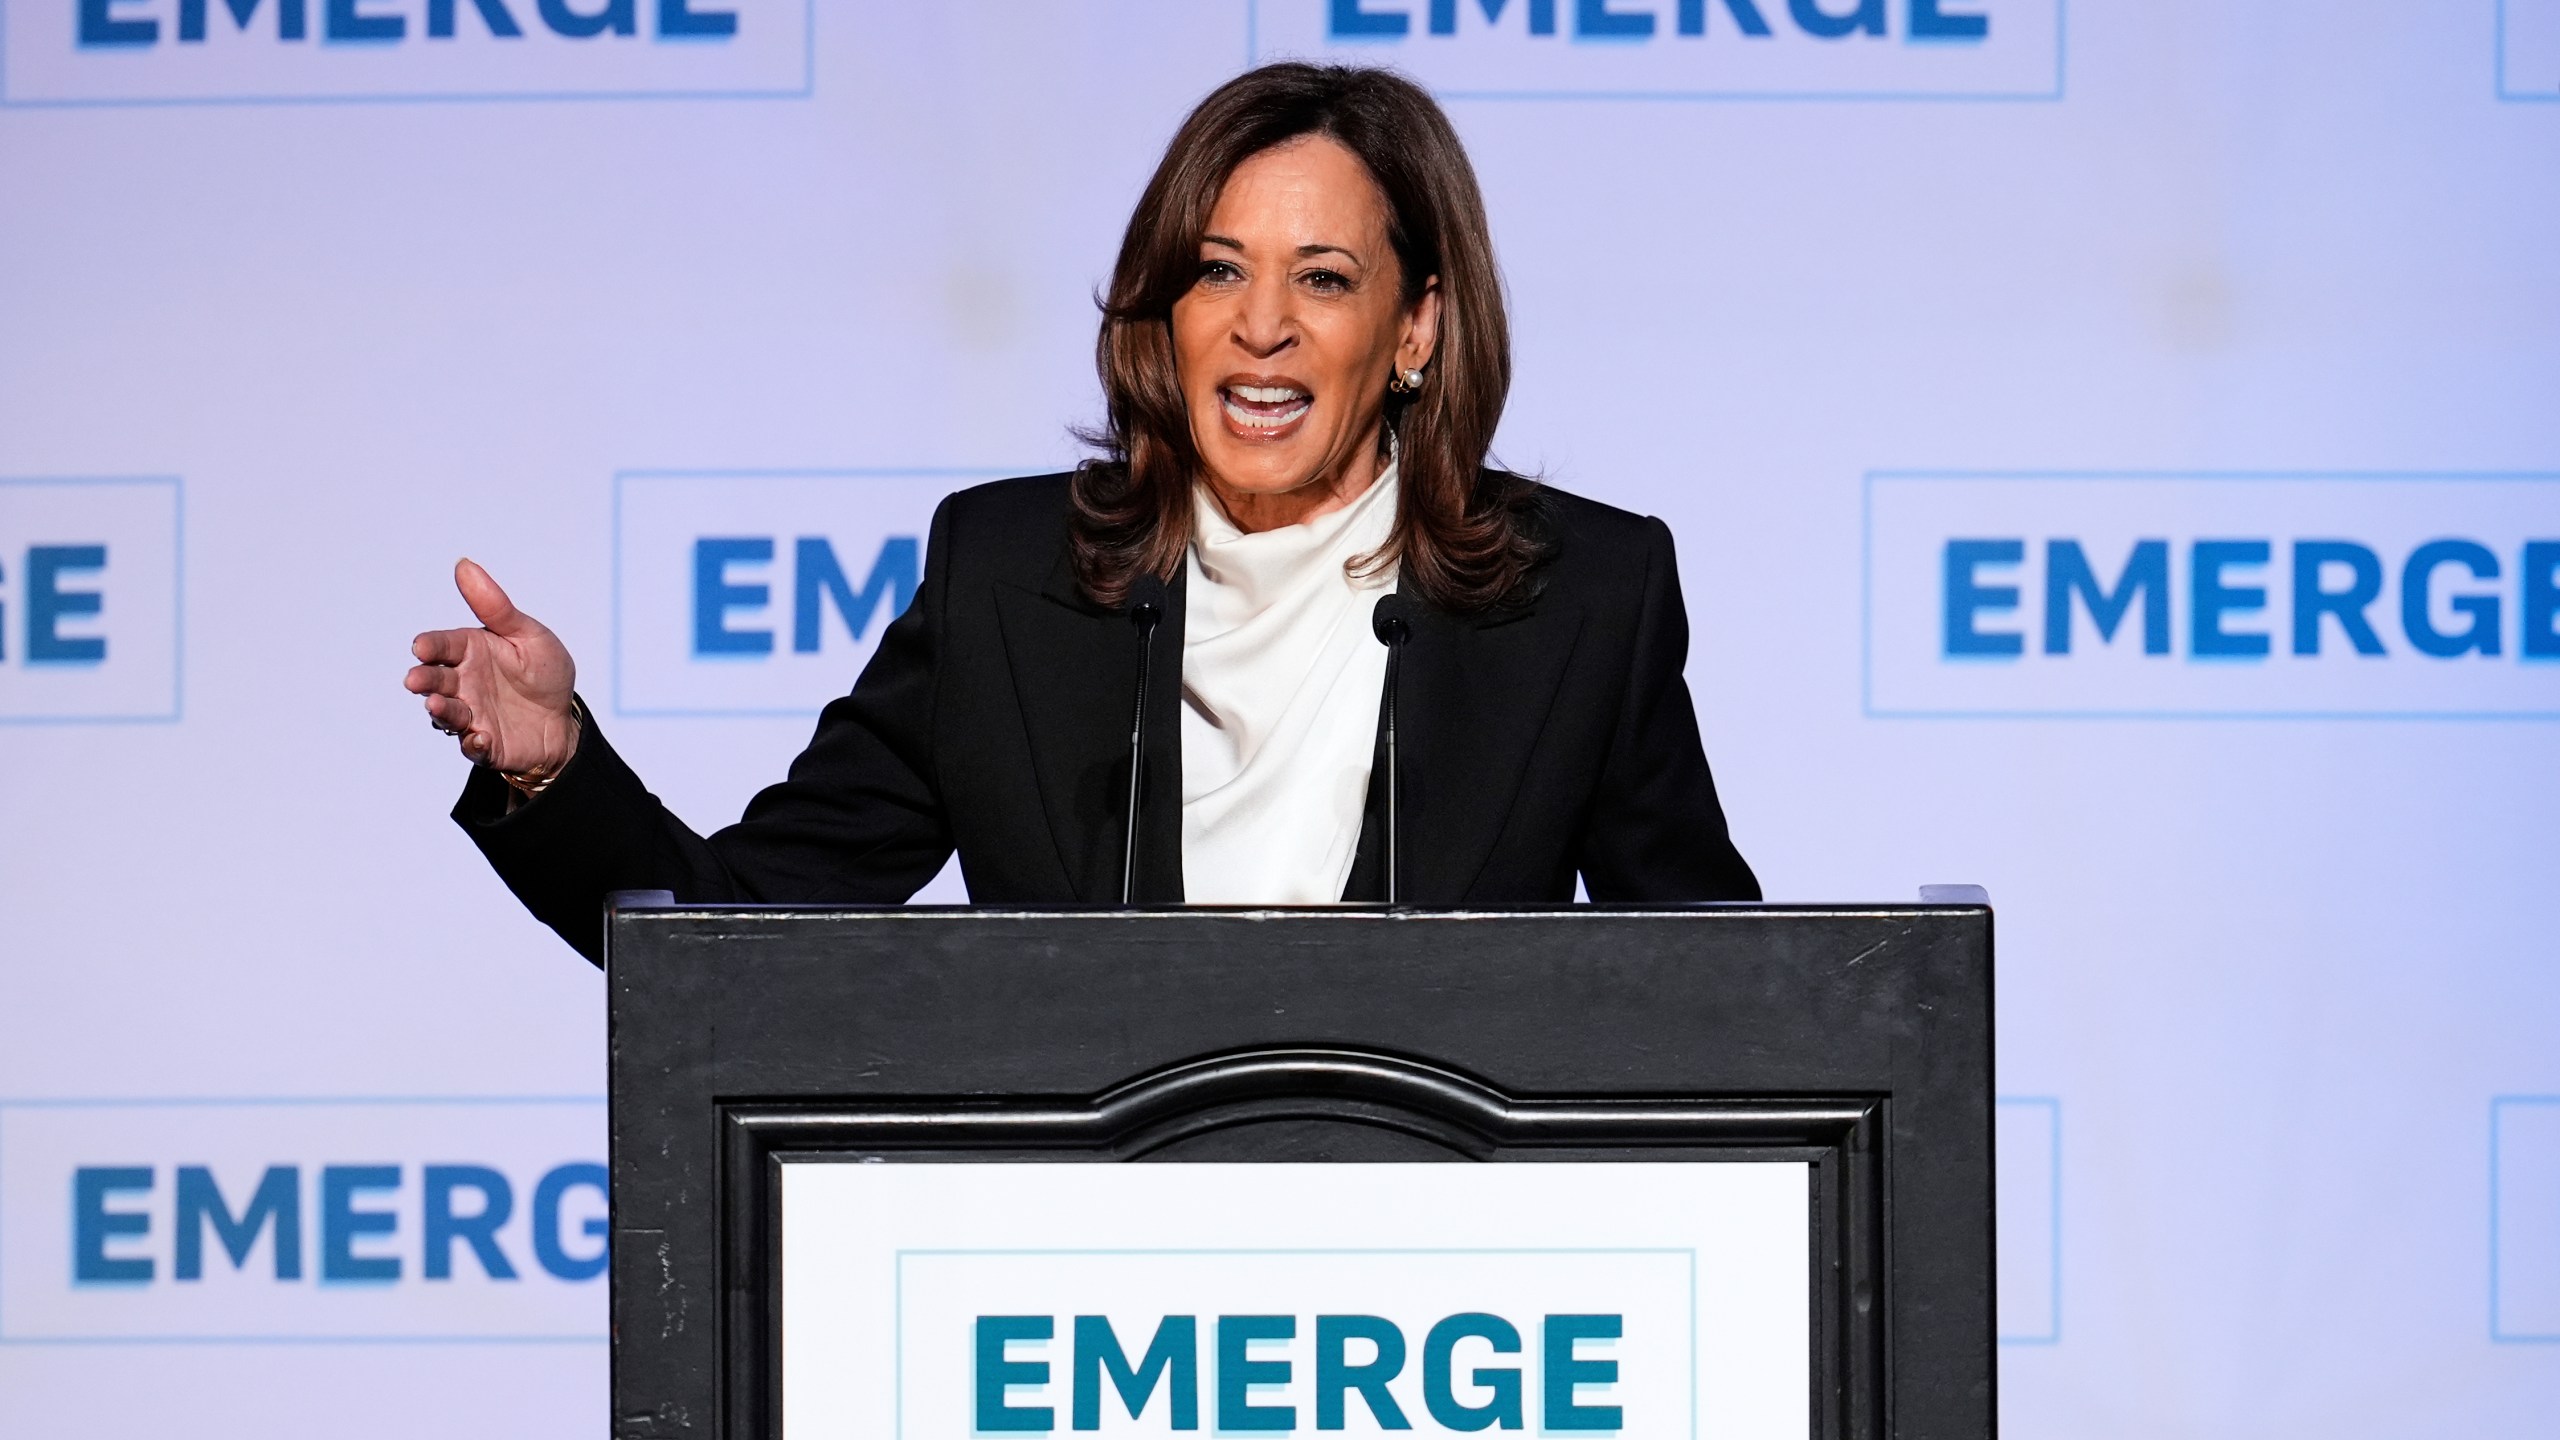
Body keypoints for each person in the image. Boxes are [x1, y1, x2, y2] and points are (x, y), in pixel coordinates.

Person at [406, 62, 1758, 964]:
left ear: (1414, 331)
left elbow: (1729, 999)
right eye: (1217, 270)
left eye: (1326, 280)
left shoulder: (1583, 596)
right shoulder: (1010, 579)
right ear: (1165, 315)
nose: (1264, 327)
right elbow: (740, 939)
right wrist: (549, 762)